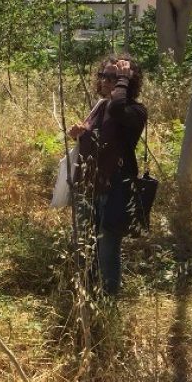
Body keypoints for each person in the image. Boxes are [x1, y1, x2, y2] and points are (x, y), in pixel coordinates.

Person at [68, 54, 147, 297]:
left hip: (115, 190)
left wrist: (122, 81)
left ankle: (107, 301)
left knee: (107, 249)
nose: (105, 81)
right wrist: (79, 133)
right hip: (87, 187)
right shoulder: (100, 107)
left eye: (114, 77)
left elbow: (117, 109)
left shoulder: (135, 111)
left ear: (128, 82)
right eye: (103, 75)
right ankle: (86, 295)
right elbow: (95, 141)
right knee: (84, 245)